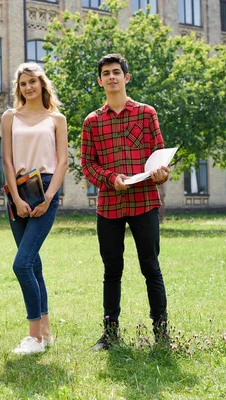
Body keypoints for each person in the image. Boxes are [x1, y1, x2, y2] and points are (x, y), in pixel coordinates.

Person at [81, 54, 171, 350]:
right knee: (111, 270)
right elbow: (88, 165)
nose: (111, 77)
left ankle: (161, 334)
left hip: (144, 202)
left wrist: (161, 174)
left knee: (151, 267)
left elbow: (159, 157)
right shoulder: (92, 122)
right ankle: (109, 334)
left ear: (126, 77)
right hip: (109, 206)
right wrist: (110, 178)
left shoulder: (146, 114)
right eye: (106, 73)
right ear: (100, 81)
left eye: (116, 72)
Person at [1, 63, 68, 354]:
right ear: (19, 87)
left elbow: (63, 160)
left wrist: (49, 198)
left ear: (42, 84)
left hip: (46, 188)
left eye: (33, 82)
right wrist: (16, 198)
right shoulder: (9, 117)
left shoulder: (56, 118)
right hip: (18, 191)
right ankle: (45, 331)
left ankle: (34, 338)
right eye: (23, 83)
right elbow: (7, 161)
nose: (28, 87)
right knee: (34, 264)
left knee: (22, 264)